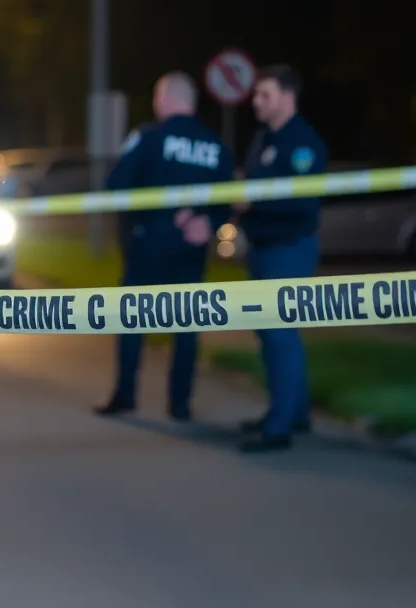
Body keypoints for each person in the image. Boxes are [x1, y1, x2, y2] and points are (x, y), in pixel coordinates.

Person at [94, 71, 234, 421]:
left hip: (150, 242)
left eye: (158, 97)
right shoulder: (216, 147)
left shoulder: (150, 138)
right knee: (185, 325)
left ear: (167, 98)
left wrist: (150, 215)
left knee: (132, 318)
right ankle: (181, 403)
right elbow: (229, 198)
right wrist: (209, 223)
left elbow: (117, 184)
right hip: (193, 246)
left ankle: (125, 394)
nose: (156, 104)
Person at [235, 63, 329, 453]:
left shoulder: (303, 144)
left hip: (288, 249)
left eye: (264, 95)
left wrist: (252, 201)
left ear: (287, 97)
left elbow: (303, 202)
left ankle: (279, 428)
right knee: (273, 335)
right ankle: (293, 411)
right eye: (256, 95)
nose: (256, 102)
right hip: (263, 251)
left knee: (280, 335)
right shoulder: (263, 139)